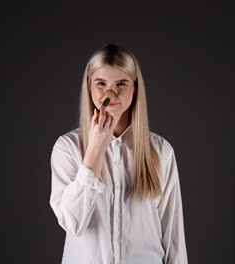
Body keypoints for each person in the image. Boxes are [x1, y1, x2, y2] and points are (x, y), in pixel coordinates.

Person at [49, 44, 188, 264]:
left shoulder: (161, 152)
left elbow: (173, 238)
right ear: (89, 88)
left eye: (121, 84)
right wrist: (95, 148)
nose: (110, 93)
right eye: (101, 83)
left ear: (135, 88)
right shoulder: (67, 148)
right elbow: (73, 222)